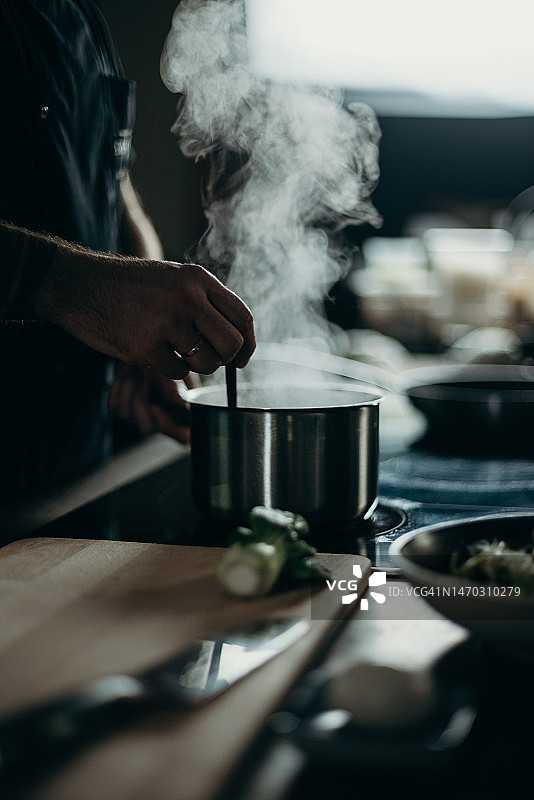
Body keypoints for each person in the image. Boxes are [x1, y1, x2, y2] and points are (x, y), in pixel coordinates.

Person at [0, 0, 255, 506]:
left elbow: (113, 179)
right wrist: (90, 291)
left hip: (73, 463)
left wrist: (143, 321)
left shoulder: (77, 16)